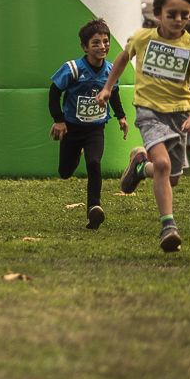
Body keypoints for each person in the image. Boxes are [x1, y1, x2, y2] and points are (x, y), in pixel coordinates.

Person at [97, 0, 190, 253]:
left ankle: (139, 167)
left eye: (185, 15)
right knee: (162, 164)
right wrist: (107, 87)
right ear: (158, 13)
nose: (179, 20)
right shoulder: (142, 39)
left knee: (171, 177)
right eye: (172, 14)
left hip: (179, 114)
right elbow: (123, 58)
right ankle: (168, 226)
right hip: (148, 111)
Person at [48, 18, 128, 231]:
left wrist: (121, 116)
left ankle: (94, 207)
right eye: (96, 43)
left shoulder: (111, 70)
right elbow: (54, 92)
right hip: (72, 129)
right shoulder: (73, 68)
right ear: (85, 47)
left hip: (95, 129)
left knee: (94, 163)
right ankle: (76, 154)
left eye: (105, 41)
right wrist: (59, 120)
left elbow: (114, 93)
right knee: (65, 171)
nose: (102, 46)